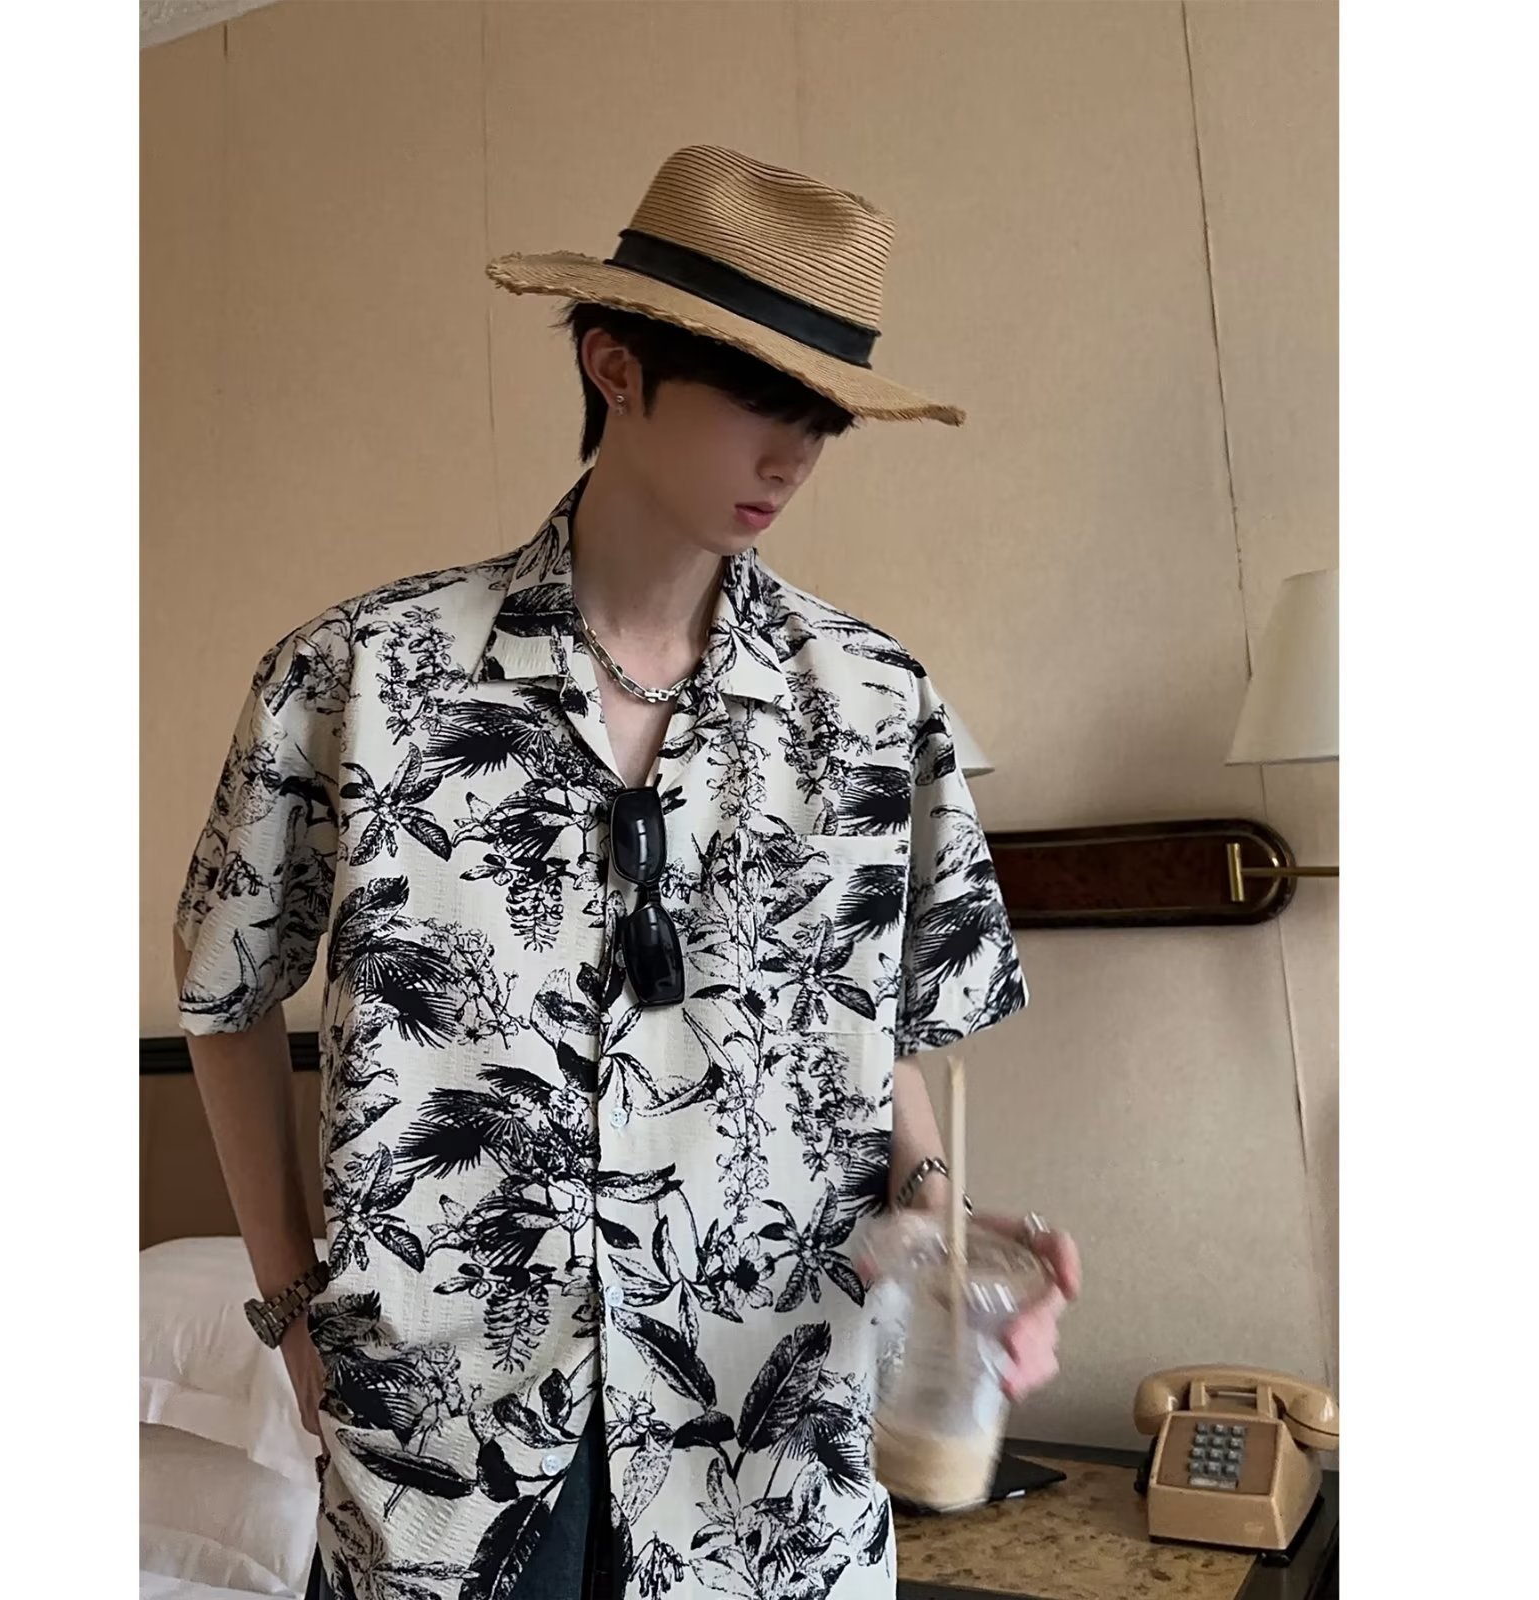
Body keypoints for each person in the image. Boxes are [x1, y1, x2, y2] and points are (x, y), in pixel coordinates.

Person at [173, 144, 1080, 1600]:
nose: (794, 458)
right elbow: (223, 994)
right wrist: (289, 1312)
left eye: (824, 420)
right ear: (615, 366)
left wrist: (938, 1220)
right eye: (761, 404)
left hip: (764, 1445)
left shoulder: (876, 707)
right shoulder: (355, 680)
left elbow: (880, 1038)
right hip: (443, 1445)